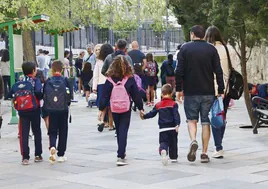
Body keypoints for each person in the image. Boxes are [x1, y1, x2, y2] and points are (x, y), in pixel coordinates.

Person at [176, 25, 225, 163]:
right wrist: (220, 90)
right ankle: (204, 153)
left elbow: (179, 71)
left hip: (190, 91)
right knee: (205, 121)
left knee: (191, 120)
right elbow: (218, 71)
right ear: (203, 35)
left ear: (192, 34)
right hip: (208, 91)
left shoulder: (184, 49)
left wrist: (179, 89)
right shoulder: (211, 49)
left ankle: (193, 140)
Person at [98, 55, 144, 166]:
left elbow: (104, 96)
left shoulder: (109, 80)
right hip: (125, 108)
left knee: (118, 130)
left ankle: (121, 151)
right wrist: (140, 108)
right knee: (123, 130)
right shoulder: (129, 78)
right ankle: (121, 154)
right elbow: (136, 95)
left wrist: (101, 109)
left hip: (114, 108)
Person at [204, 25, 236, 158]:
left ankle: (219, 147)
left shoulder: (208, 50)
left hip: (212, 88)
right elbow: (232, 68)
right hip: (227, 88)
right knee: (221, 115)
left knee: (215, 117)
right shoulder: (228, 49)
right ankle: (219, 143)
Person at [8, 62, 43, 165]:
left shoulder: (19, 82)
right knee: (36, 131)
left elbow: (10, 94)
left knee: (24, 133)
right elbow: (38, 92)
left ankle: (25, 157)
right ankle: (37, 155)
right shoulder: (35, 81)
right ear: (33, 70)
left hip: (22, 111)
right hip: (34, 109)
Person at [140, 84, 180, 166]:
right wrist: (177, 124)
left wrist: (144, 116)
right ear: (171, 94)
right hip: (172, 128)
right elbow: (176, 115)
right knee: (173, 143)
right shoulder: (173, 104)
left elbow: (152, 113)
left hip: (163, 128)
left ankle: (163, 150)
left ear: (162, 94)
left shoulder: (158, 105)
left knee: (163, 142)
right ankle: (173, 157)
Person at [44, 60, 72, 163]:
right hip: (63, 109)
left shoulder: (48, 81)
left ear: (52, 69)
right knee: (63, 131)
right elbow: (70, 96)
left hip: (51, 109)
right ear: (62, 69)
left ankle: (52, 146)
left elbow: (44, 95)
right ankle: (61, 154)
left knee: (52, 130)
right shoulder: (65, 80)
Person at [93, 44, 114, 130]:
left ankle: (102, 120)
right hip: (111, 83)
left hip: (101, 84)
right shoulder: (112, 60)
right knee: (110, 106)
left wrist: (94, 87)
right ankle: (111, 125)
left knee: (103, 104)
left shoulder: (99, 62)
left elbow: (96, 75)